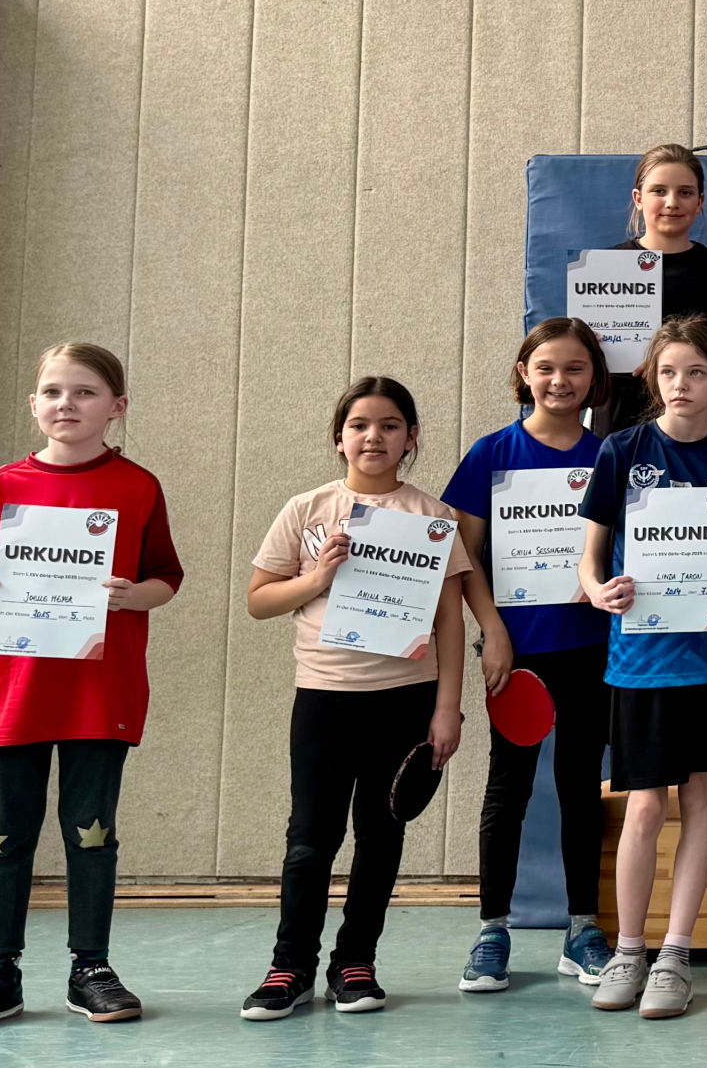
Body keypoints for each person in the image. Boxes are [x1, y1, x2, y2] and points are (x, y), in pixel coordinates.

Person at [0, 344, 183, 1035]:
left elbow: (166, 577)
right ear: (34, 403)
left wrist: (132, 595)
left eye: (86, 392)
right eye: (54, 391)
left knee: (92, 834)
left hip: (100, 690)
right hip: (18, 691)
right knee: (4, 836)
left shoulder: (137, 486)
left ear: (116, 406)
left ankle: (90, 968)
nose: (67, 404)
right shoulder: (4, 483)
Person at [240, 377, 472, 1021]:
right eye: (360, 425)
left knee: (381, 834)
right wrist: (318, 576)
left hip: (405, 700)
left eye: (390, 425)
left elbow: (450, 621)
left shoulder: (433, 518)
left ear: (411, 438)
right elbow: (259, 601)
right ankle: (289, 967)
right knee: (310, 838)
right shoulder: (307, 509)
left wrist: (446, 708)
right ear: (339, 438)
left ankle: (355, 962)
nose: (375, 437)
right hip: (325, 697)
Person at [577, 316, 707, 1019]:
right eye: (668, 372)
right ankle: (629, 951)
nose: (680, 385)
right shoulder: (622, 450)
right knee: (645, 806)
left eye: (696, 372)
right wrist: (600, 590)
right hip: (640, 663)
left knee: (701, 801)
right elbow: (590, 558)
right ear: (652, 379)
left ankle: (676, 954)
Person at [441, 319, 617, 993]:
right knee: (507, 787)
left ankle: (582, 929)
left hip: (592, 648)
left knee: (580, 785)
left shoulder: (610, 455)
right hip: (515, 654)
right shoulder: (491, 453)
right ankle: (493, 930)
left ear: (593, 377)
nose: (559, 380)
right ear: (523, 373)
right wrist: (493, 631)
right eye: (545, 367)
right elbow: (463, 558)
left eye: (574, 368)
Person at [598, 144, 707, 434]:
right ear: (638, 198)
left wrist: (687, 373)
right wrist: (586, 354)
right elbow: (576, 367)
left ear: (700, 202)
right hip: (616, 426)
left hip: (695, 432)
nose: (672, 202)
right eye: (659, 191)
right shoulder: (604, 266)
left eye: (685, 192)